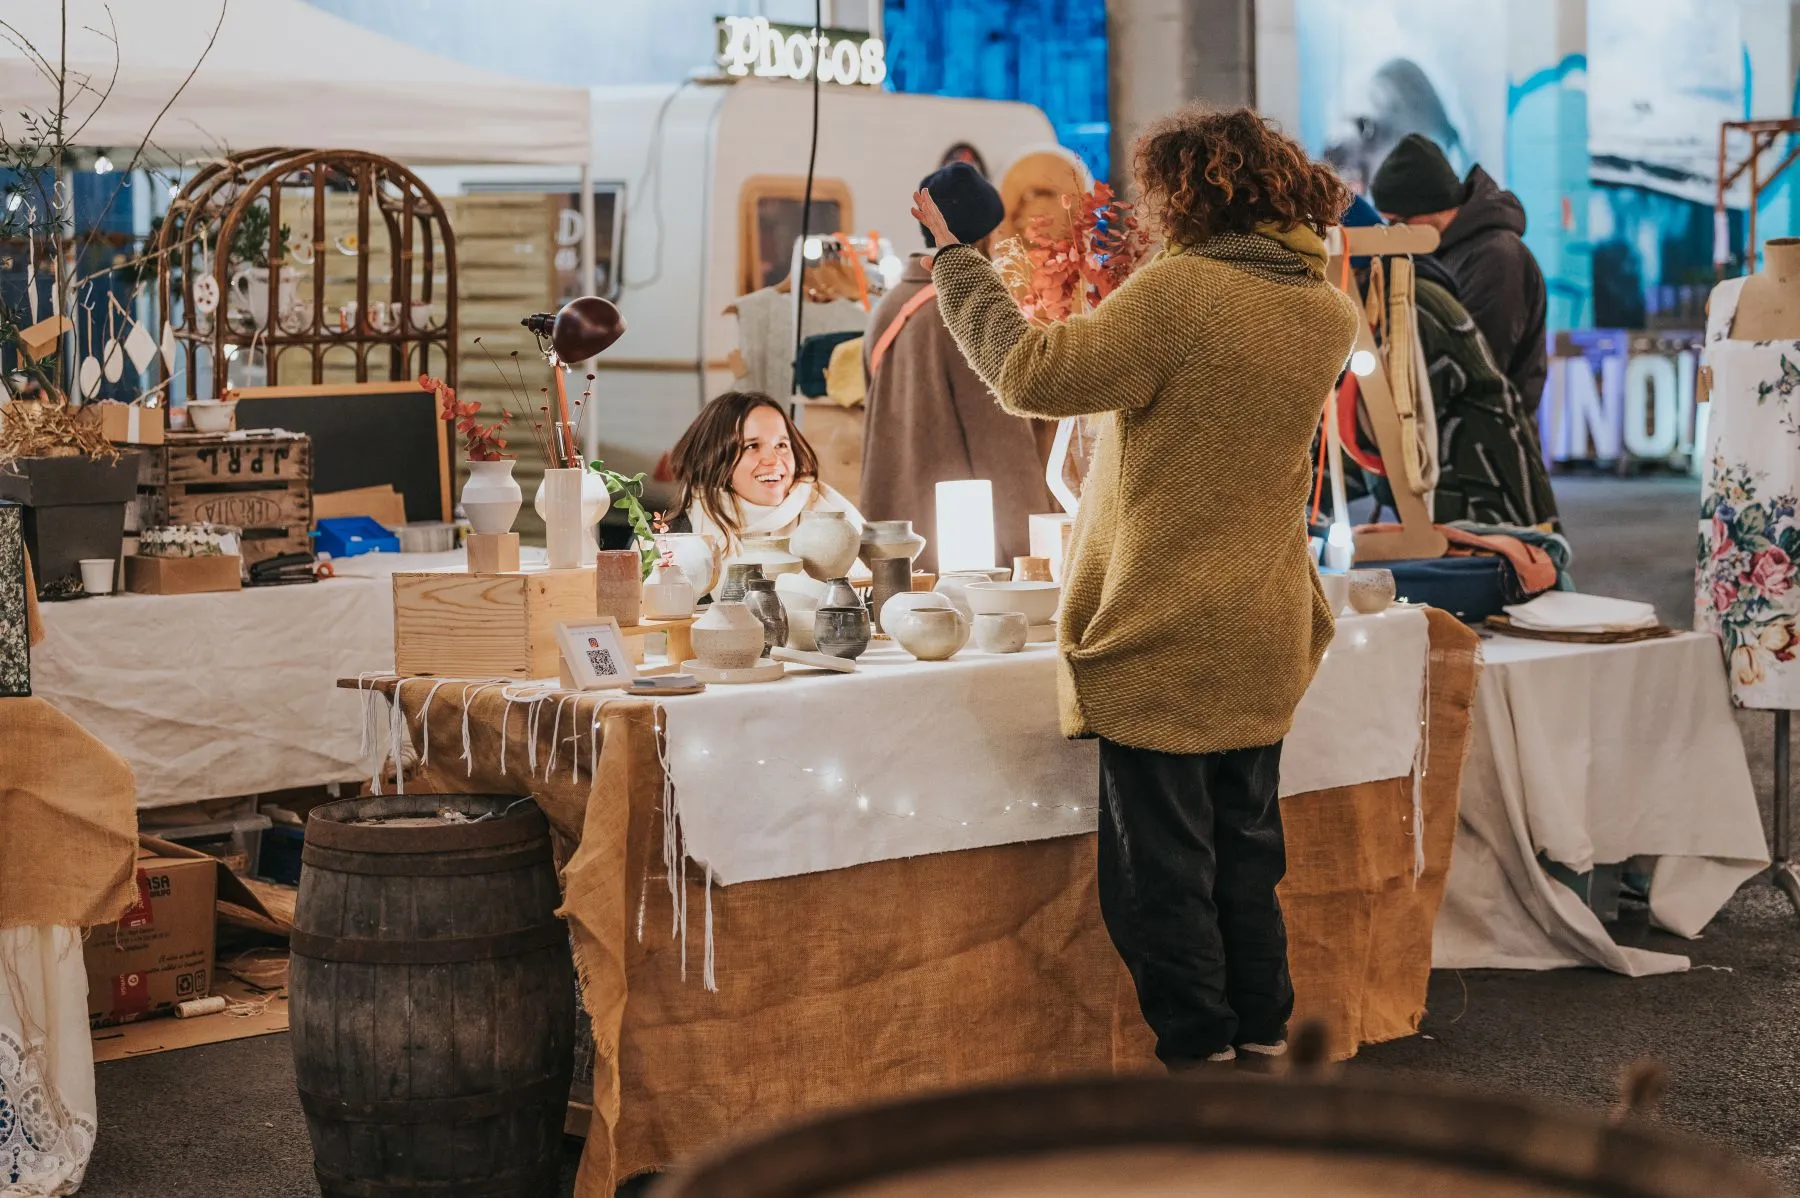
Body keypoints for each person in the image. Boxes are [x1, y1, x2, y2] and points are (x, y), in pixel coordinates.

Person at [914, 107, 1359, 1071]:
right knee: (1247, 862)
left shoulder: (1184, 294)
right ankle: (1266, 1047)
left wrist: (958, 261)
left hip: (1164, 629)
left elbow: (1032, 375)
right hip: (1263, 621)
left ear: (1189, 193)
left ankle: (1200, 1070)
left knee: (1160, 879)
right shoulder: (1326, 308)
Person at [862, 161, 1052, 572]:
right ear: (982, 236)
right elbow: (1002, 445)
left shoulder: (889, 305)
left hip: (892, 537)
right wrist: (1034, 552)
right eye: (995, 231)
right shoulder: (963, 311)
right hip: (965, 550)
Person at [1340, 194, 1559, 529]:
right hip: (1468, 499)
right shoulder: (1389, 304)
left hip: (1490, 506)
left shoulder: (1411, 308)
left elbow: (1382, 425)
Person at [1370, 132, 1549, 416]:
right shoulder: (1442, 252)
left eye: (1396, 222)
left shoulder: (1497, 259)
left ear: (1425, 208)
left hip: (1488, 443)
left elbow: (1477, 366)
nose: (1392, 233)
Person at [668, 391, 863, 574]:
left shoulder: (832, 513)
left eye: (782, 445)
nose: (774, 460)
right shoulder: (677, 536)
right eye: (752, 446)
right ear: (715, 458)